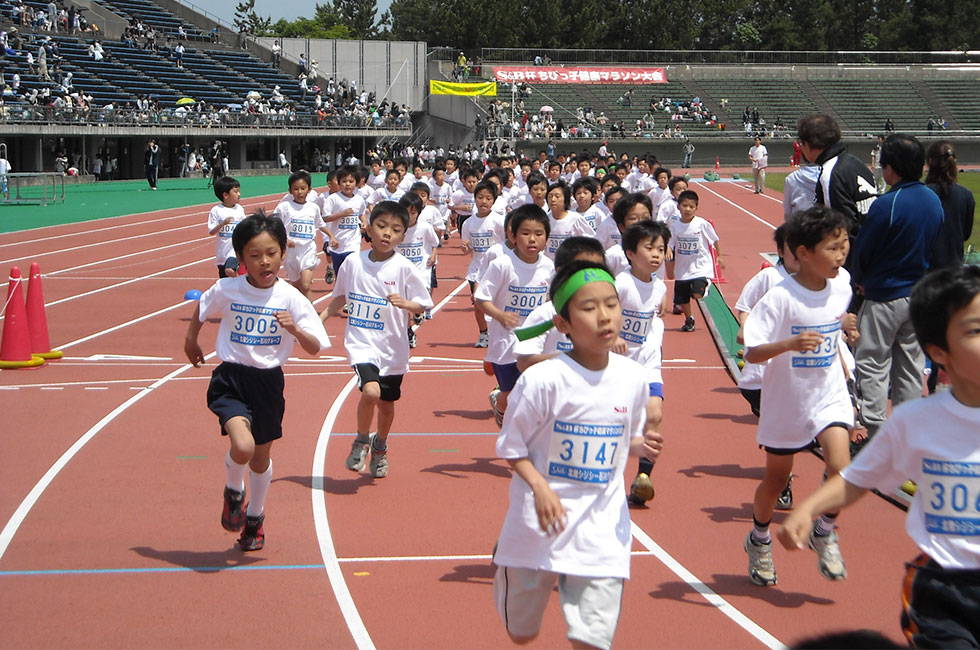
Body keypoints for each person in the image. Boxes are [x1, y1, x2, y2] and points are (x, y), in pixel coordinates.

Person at [778, 264, 980, 648]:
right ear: (939, 351)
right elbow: (857, 480)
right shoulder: (917, 422)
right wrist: (808, 509)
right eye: (975, 330)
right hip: (946, 593)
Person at [493, 260, 662, 650]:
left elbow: (622, 437)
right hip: (538, 523)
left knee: (593, 640)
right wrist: (539, 488)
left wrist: (639, 446)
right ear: (563, 324)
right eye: (589, 308)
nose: (605, 317)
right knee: (522, 633)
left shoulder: (633, 378)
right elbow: (511, 448)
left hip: (602, 528)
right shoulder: (542, 380)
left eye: (611, 305)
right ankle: (507, 562)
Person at [184, 211, 331, 551]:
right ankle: (234, 491)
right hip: (232, 378)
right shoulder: (228, 287)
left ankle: (256, 517)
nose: (264, 262)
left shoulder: (291, 298)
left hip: (268, 384)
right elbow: (203, 308)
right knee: (243, 447)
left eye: (271, 253)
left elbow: (314, 348)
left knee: (261, 459)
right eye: (254, 255)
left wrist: (293, 328)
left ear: (283, 253)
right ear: (241, 258)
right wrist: (191, 340)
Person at [741, 205, 856, 587]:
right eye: (832, 248)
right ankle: (758, 539)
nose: (841, 255)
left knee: (843, 468)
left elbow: (833, 320)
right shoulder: (780, 298)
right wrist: (789, 343)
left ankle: (824, 528)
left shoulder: (842, 285)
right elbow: (751, 350)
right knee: (776, 479)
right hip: (788, 399)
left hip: (828, 392)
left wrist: (845, 327)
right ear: (803, 253)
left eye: (845, 245)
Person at [322, 201, 433, 479]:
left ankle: (380, 445)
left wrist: (406, 304)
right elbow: (339, 296)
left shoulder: (404, 268)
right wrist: (320, 318)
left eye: (395, 230)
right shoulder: (352, 262)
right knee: (370, 392)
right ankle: (361, 440)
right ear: (368, 228)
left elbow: (423, 304)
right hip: (361, 343)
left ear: (403, 236)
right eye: (381, 226)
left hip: (393, 348)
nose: (387, 234)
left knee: (386, 404)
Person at [851, 134, 944, 444]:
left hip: (883, 295)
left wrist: (860, 279)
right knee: (910, 367)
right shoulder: (933, 200)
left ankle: (874, 431)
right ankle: (909, 434)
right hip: (917, 296)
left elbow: (864, 250)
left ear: (890, 168)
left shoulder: (887, 204)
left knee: (872, 363)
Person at [475, 204, 554, 425]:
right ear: (512, 235)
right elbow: (480, 298)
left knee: (533, 395)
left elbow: (549, 300)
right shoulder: (502, 265)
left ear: (546, 238)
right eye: (525, 233)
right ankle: (500, 402)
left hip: (535, 343)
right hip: (505, 342)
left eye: (538, 234)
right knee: (510, 394)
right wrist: (500, 316)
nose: (532, 239)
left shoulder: (548, 267)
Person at [614, 221, 671, 507]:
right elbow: (605, 313)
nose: (656, 254)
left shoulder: (660, 286)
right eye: (649, 248)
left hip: (648, 363)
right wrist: (612, 336)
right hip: (618, 366)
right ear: (630, 253)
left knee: (655, 416)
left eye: (661, 249)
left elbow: (655, 312)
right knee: (616, 422)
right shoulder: (621, 284)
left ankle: (643, 478)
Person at [796, 114, 877, 250]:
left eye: (801, 143)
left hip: (857, 259)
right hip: (875, 246)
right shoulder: (857, 163)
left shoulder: (831, 174)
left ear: (809, 144)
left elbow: (841, 227)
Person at [272, 170, 332, 301]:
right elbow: (274, 225)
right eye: (296, 189)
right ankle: (301, 310)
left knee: (305, 285)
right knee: (297, 286)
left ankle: (310, 315)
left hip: (308, 249)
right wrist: (284, 239)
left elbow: (320, 224)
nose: (299, 192)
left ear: (309, 190)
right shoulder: (284, 207)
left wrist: (331, 237)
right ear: (290, 190)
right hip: (291, 252)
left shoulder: (313, 207)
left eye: (303, 188)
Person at [667, 190, 721, 332]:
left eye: (691, 207)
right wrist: (667, 249)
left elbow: (714, 239)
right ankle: (689, 319)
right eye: (684, 206)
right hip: (682, 268)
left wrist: (719, 256)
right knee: (683, 299)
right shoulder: (675, 226)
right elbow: (671, 242)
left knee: (697, 294)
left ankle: (706, 283)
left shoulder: (701, 224)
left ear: (696, 208)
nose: (688, 209)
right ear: (679, 207)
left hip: (700, 267)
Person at [461, 180, 505, 348]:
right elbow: (467, 250)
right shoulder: (468, 223)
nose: (484, 201)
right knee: (478, 303)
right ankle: (484, 333)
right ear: (475, 199)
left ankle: (500, 332)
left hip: (497, 270)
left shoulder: (499, 221)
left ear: (494, 201)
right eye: (480, 197)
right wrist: (464, 247)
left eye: (488, 198)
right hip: (476, 270)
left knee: (498, 303)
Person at [395, 191, 439, 347]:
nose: (409, 215)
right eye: (406, 212)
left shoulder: (425, 227)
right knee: (404, 305)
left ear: (419, 213)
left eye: (413, 212)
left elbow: (434, 243)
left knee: (421, 297)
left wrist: (433, 256)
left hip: (422, 270)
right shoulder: (396, 228)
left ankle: (419, 312)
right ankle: (408, 331)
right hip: (402, 273)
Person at [925, 140, 975, 270]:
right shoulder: (966, 195)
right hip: (954, 271)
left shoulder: (922, 194)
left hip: (926, 272)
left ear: (929, 161)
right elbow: (965, 234)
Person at [319, 166, 365, 286]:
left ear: (356, 182)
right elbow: (325, 218)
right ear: (339, 183)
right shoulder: (333, 199)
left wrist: (364, 222)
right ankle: (342, 297)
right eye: (344, 181)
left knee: (352, 271)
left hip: (353, 243)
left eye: (351, 181)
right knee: (340, 276)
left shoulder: (359, 199)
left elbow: (361, 214)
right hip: (337, 243)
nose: (347, 184)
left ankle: (350, 299)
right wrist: (341, 214)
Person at [207, 176, 246, 278]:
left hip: (234, 250)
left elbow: (245, 227)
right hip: (222, 253)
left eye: (239, 191)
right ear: (225, 195)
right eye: (236, 192)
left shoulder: (239, 209)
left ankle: (241, 283)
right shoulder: (216, 210)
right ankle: (238, 288)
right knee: (224, 281)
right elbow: (212, 231)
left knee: (229, 270)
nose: (239, 194)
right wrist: (222, 224)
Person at [545, 182, 594, 261]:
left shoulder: (576, 219)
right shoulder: (545, 220)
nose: (553, 200)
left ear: (565, 199)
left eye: (557, 196)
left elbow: (590, 241)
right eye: (550, 196)